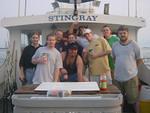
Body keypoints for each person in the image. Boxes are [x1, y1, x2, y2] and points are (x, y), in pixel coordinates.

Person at [112, 26, 143, 113]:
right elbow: (114, 58)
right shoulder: (115, 45)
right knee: (118, 101)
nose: (122, 35)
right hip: (118, 78)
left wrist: (132, 69)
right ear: (118, 35)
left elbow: (139, 59)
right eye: (120, 33)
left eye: (124, 33)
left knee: (134, 100)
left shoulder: (134, 44)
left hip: (131, 77)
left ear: (127, 34)